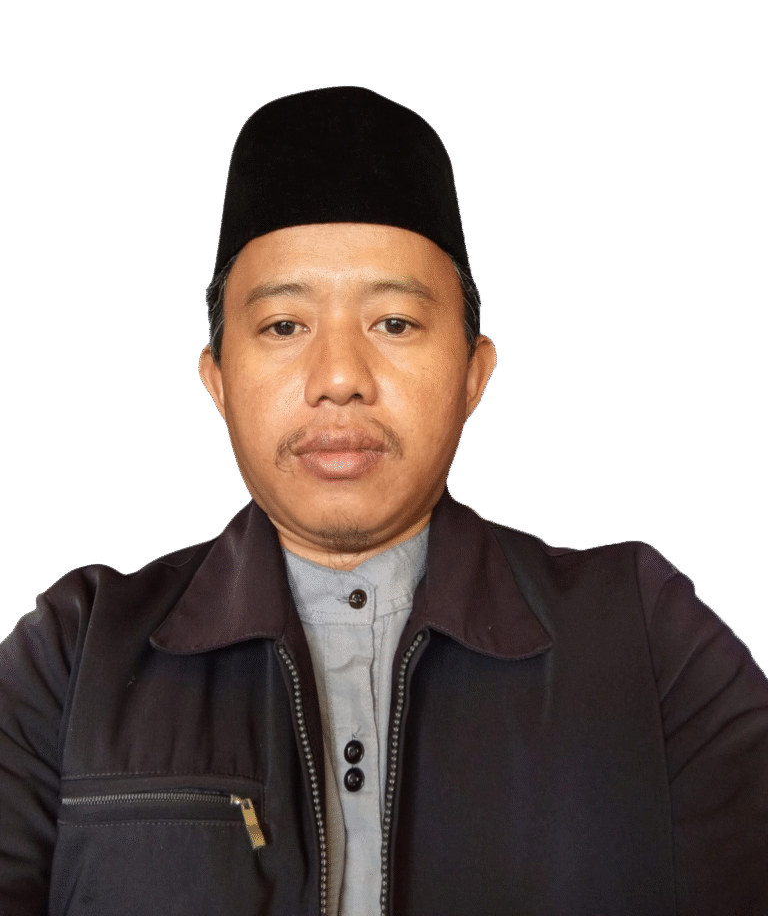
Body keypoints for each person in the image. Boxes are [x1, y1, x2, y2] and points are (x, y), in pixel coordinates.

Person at [1, 86, 766, 916]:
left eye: (395, 323)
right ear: (218, 381)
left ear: (473, 373)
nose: (339, 378)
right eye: (284, 326)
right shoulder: (78, 652)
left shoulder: (642, 634)